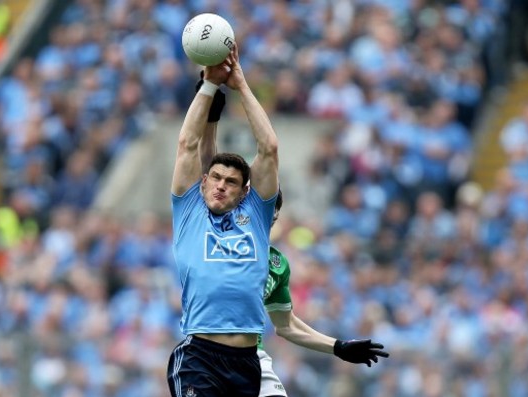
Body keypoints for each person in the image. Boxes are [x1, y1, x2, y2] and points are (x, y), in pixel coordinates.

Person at [196, 75, 390, 397]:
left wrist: (338, 346)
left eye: (267, 208)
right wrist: (213, 110)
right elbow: (208, 162)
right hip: (206, 358)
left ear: (273, 216)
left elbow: (285, 326)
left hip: (252, 360)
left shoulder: (274, 264)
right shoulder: (210, 228)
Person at [167, 44, 280, 397]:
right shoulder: (190, 212)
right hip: (201, 356)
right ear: (203, 182)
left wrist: (241, 85)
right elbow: (187, 144)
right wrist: (210, 86)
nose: (220, 186)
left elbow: (269, 149)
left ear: (244, 191)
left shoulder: (256, 215)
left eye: (231, 182)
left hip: (247, 361)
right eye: (215, 178)